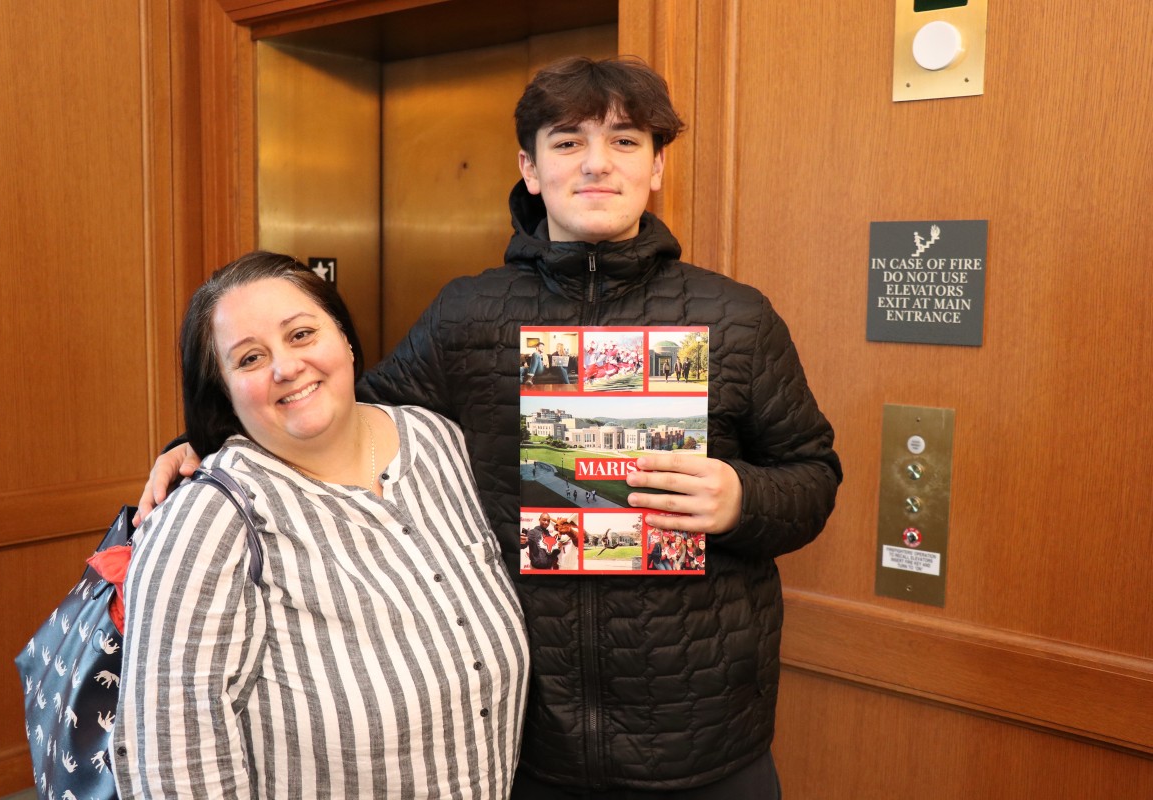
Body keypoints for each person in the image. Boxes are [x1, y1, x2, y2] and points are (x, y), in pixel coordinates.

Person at [139, 56, 840, 797]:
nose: (597, 163)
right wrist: (208, 444)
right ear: (530, 170)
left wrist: (742, 500)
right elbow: (340, 418)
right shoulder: (467, 316)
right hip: (530, 744)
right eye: (568, 142)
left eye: (625, 141)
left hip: (706, 737)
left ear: (657, 166)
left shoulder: (737, 317)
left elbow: (812, 473)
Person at [114, 252, 529, 799]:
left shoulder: (438, 443)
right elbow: (172, 768)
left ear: (346, 339)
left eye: (302, 334)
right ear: (225, 393)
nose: (285, 368)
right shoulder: (206, 524)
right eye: (250, 359)